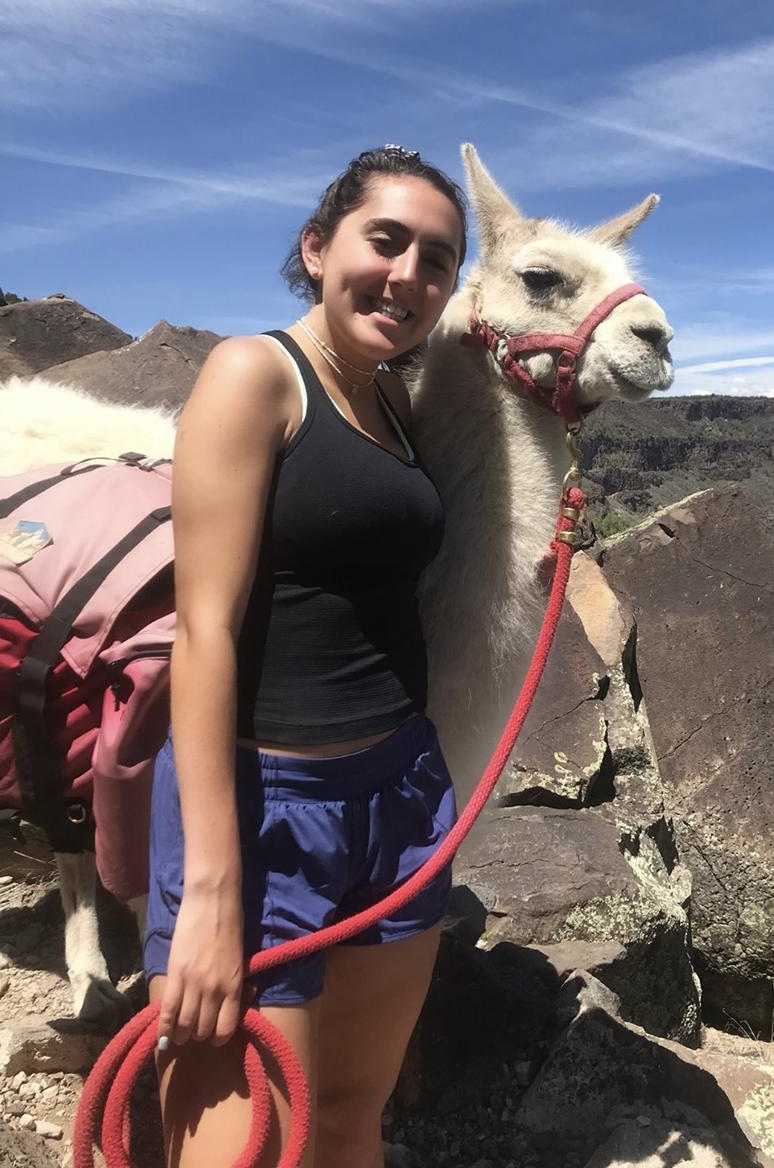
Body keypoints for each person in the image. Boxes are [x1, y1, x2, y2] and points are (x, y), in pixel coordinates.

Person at [143, 145, 468, 1167]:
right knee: (248, 1143)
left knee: (348, 1113)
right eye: (387, 240)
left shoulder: (394, 402)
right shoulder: (255, 375)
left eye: (437, 260)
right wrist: (211, 887)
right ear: (318, 245)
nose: (408, 275)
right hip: (263, 802)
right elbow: (203, 627)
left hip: (404, 793)